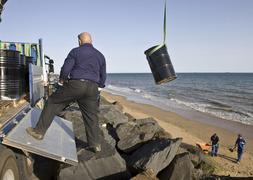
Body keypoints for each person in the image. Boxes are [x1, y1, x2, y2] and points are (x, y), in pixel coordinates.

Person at [26, 32, 106, 153]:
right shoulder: (100, 55)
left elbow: (66, 68)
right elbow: (103, 74)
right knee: (91, 116)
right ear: (91, 41)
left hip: (76, 85)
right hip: (92, 88)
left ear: (79, 41)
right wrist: (99, 86)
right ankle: (95, 145)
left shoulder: (75, 51)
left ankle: (38, 132)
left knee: (52, 102)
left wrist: (62, 80)